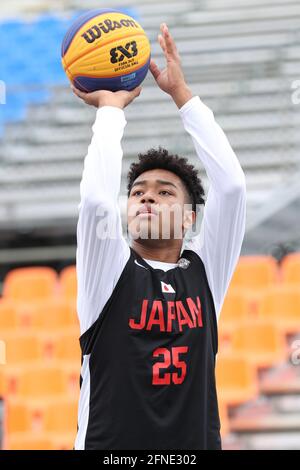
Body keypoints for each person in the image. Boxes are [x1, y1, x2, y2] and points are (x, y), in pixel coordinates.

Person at [71, 22, 246, 450]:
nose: (146, 198)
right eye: (137, 192)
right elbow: (96, 201)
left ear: (189, 218)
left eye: (164, 192)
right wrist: (110, 110)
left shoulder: (205, 270)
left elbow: (232, 187)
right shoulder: (107, 271)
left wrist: (183, 97)